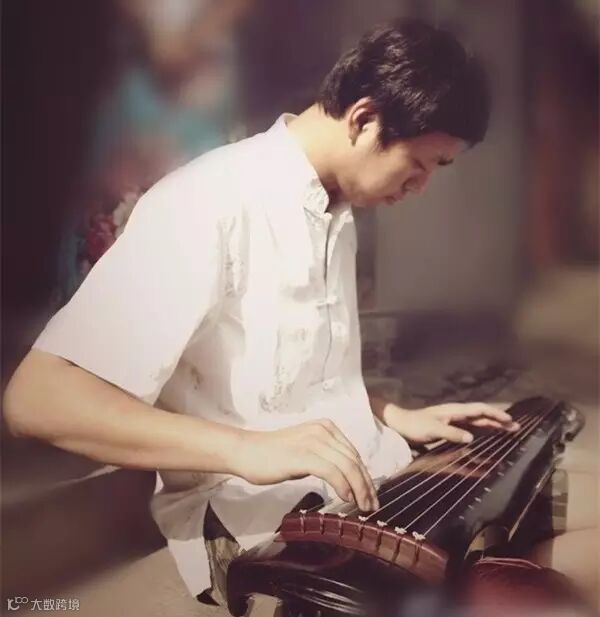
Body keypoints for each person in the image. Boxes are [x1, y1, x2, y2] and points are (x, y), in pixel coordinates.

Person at [4, 19, 519, 605]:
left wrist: (392, 413)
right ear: (364, 120)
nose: (420, 187)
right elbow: (38, 399)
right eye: (421, 164)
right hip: (264, 527)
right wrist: (244, 449)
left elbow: (290, 383)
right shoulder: (209, 202)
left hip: (368, 486)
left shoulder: (337, 207)